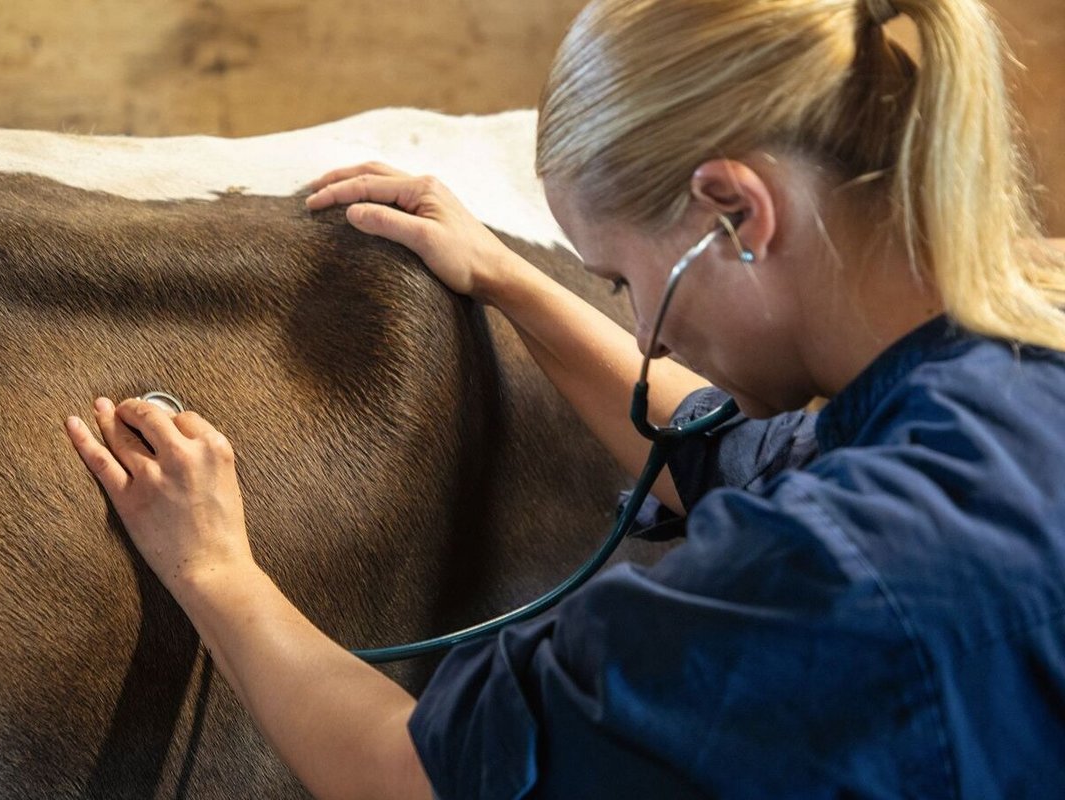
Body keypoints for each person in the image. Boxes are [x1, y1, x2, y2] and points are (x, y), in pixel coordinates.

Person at [64, 0, 1065, 795]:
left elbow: (413, 774)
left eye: (631, 282)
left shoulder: (821, 572)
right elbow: (728, 457)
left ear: (737, 212)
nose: (647, 336)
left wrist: (214, 567)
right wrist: (507, 280)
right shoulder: (1005, 376)